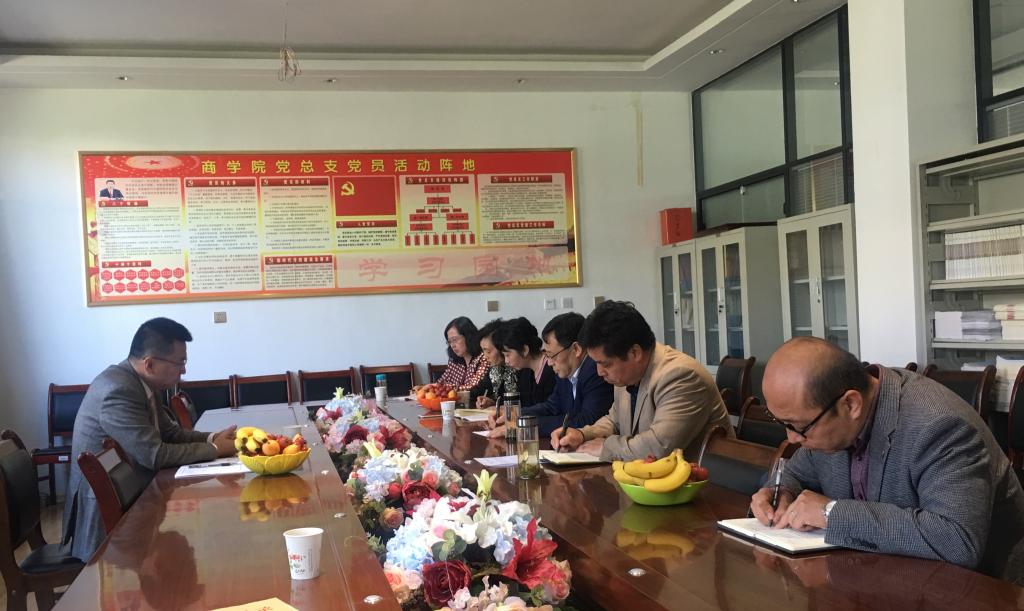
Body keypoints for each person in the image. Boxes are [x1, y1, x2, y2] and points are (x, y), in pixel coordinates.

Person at [749, 337, 1024, 584]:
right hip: (874, 579)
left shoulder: (939, 425)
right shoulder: (823, 419)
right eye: (782, 423)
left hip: (976, 590)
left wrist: (831, 513)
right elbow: (796, 473)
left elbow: (956, 540)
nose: (792, 438)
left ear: (850, 404)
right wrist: (780, 492)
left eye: (798, 427)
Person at [62, 317, 237, 561]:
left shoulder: (141, 382)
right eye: (180, 362)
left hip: (135, 496)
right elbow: (154, 455)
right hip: (108, 525)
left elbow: (170, 434)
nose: (184, 371)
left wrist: (213, 438)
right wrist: (216, 449)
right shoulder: (118, 390)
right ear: (150, 364)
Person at [551, 300, 732, 461]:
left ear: (634, 353)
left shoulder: (681, 376)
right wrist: (582, 435)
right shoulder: (627, 373)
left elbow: (658, 447)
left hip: (705, 484)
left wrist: (606, 446)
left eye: (605, 364)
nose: (599, 372)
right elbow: (614, 421)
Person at [516, 312, 614, 436]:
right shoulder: (566, 370)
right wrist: (516, 414)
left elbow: (587, 420)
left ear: (576, 349)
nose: (549, 363)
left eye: (552, 355)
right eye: (547, 355)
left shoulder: (595, 371)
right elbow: (552, 406)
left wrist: (527, 424)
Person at [486, 316, 558, 437]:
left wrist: (515, 418)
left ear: (524, 350)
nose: (506, 361)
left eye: (508, 355)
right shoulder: (524, 372)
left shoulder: (552, 370)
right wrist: (507, 412)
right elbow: (526, 406)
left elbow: (551, 411)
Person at [470, 319, 516, 407]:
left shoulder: (519, 367)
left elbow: (523, 404)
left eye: (488, 351)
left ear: (501, 347)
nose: (485, 356)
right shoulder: (495, 369)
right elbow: (478, 391)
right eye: (483, 351)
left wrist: (495, 404)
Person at [433, 317, 489, 390]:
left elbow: (474, 387)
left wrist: (447, 388)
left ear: (468, 336)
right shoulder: (454, 359)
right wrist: (430, 387)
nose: (452, 345)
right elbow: (442, 382)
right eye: (449, 342)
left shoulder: (484, 358)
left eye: (455, 340)